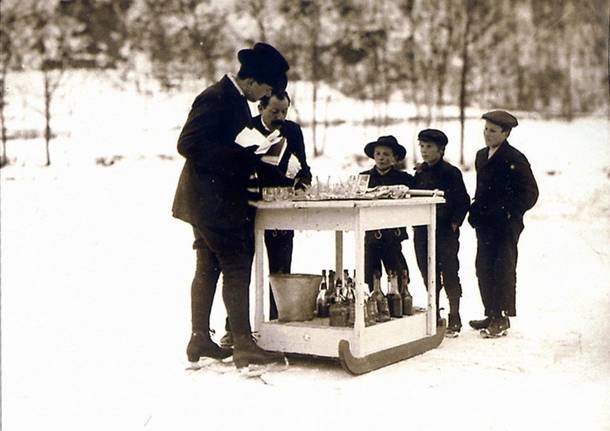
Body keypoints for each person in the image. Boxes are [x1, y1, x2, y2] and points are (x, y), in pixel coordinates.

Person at [172, 42, 290, 368]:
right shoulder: (216, 97)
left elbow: (221, 142)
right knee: (236, 265)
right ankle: (243, 343)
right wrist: (241, 156)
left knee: (208, 267)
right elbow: (187, 144)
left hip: (208, 200)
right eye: (265, 89)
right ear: (252, 81)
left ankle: (199, 340)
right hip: (213, 202)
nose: (264, 96)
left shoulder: (234, 101)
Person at [219, 90, 312, 347]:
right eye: (274, 112)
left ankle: (278, 324)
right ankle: (235, 329)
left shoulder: (292, 131)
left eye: (284, 111)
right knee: (240, 270)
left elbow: (303, 168)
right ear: (260, 108)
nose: (280, 117)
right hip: (246, 208)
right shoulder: (245, 130)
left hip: (280, 209)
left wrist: (302, 182)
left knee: (280, 269)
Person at [467, 110, 539, 338]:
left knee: (503, 268)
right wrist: (475, 210)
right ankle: (491, 312)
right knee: (483, 267)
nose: (487, 135)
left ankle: (502, 317)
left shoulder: (515, 158)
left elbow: (530, 193)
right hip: (485, 223)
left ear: (506, 133)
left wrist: (509, 212)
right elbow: (481, 190)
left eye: (493, 131)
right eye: (485, 130)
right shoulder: (481, 156)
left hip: (505, 224)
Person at [412, 129, 470, 337]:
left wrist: (455, 222)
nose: (424, 151)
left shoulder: (451, 172)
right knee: (428, 273)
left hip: (444, 231)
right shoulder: (419, 173)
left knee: (449, 272)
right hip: (421, 231)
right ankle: (434, 313)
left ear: (441, 149)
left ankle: (455, 315)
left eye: (429, 147)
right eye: (422, 146)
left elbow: (463, 200)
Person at [360, 135, 413, 289]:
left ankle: (399, 302)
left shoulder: (404, 178)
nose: (381, 158)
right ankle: (372, 303)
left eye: (386, 154)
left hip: (393, 234)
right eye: (378, 154)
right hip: (371, 232)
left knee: (397, 270)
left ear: (395, 158)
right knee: (370, 272)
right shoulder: (365, 178)